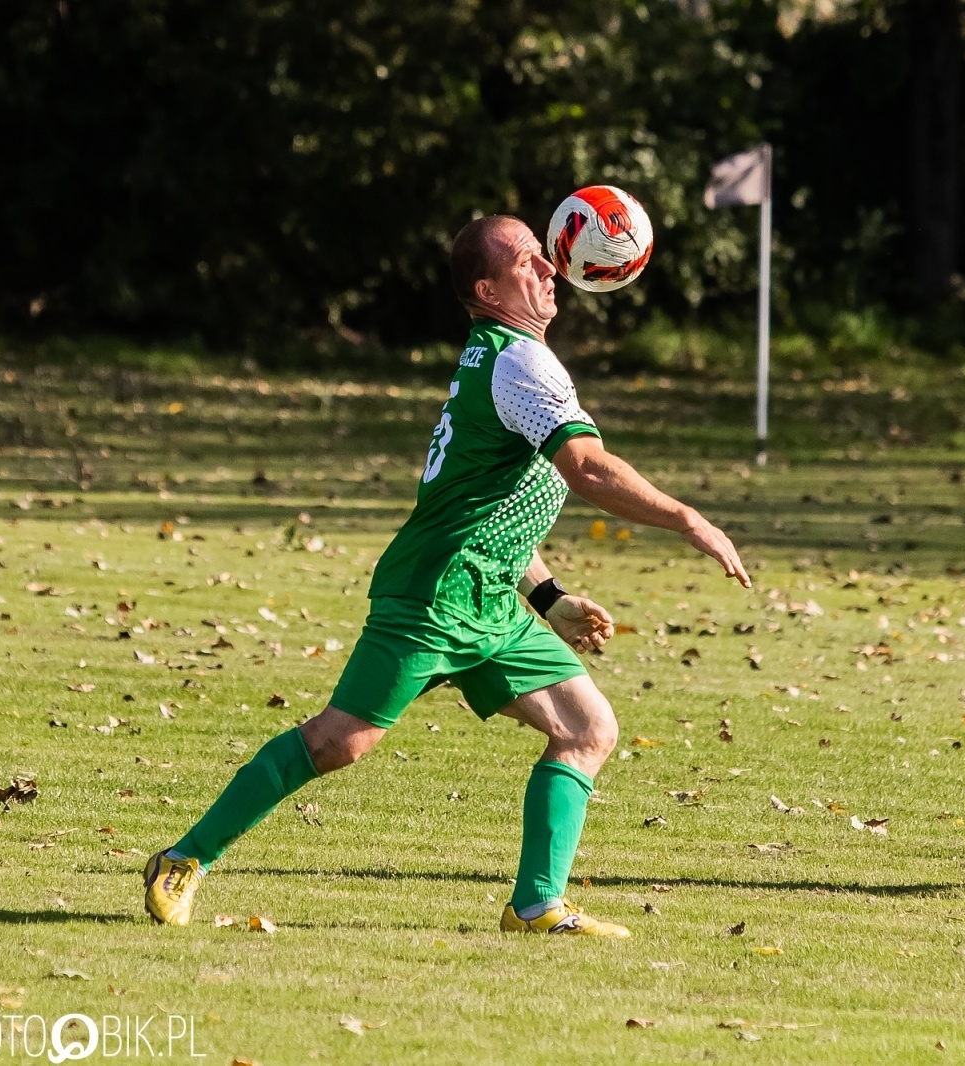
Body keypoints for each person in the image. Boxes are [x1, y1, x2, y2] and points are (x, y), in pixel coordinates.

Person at [144, 214, 752, 936]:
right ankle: (183, 858)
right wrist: (688, 519)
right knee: (339, 741)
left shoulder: (501, 358)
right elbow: (586, 468)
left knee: (588, 728)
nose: (550, 268)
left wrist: (547, 595)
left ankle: (536, 905)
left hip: (486, 594)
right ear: (488, 287)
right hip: (433, 594)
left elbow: (483, 503)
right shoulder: (517, 360)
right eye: (530, 261)